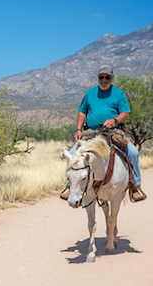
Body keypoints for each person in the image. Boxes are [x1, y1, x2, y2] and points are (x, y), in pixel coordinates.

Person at [61, 65, 147, 202]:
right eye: (101, 77)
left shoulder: (119, 93)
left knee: (133, 152)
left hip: (113, 132)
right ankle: (70, 186)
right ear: (98, 78)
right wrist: (78, 129)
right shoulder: (90, 93)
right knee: (72, 155)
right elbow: (82, 111)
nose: (104, 80)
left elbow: (125, 114)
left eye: (107, 77)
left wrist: (115, 120)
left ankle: (134, 186)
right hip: (91, 132)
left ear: (111, 78)